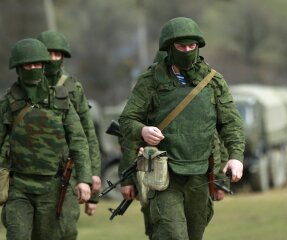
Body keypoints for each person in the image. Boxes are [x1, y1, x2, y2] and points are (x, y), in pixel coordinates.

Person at [118, 17, 245, 240]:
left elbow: (231, 123)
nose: (187, 50)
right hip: (163, 175)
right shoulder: (151, 81)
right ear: (169, 47)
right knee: (172, 235)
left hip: (200, 176)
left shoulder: (213, 82)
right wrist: (142, 130)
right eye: (181, 46)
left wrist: (235, 157)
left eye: (191, 46)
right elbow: (127, 120)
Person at [0, 38, 92, 239]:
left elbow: (79, 141)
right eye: (28, 64)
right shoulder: (9, 103)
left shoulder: (60, 100)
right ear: (18, 67)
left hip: (52, 187)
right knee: (17, 235)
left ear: (44, 66)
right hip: (19, 187)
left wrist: (84, 180)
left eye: (37, 64)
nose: (33, 68)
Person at [37, 30, 102, 238]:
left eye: (58, 54)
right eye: (49, 53)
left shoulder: (73, 88)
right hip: (33, 170)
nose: (53, 59)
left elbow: (88, 134)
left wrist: (94, 186)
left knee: (66, 229)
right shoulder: (26, 86)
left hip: (67, 171)